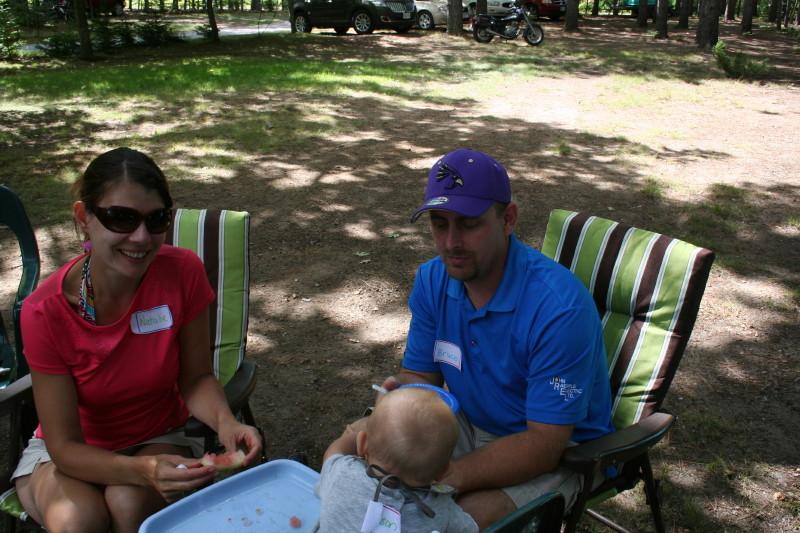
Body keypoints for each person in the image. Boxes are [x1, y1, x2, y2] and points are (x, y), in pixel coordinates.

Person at [13, 147, 262, 533]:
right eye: (121, 218)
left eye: (156, 219)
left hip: (160, 435)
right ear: (84, 218)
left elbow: (196, 378)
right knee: (78, 520)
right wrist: (139, 470)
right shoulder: (44, 312)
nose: (142, 237)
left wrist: (225, 422)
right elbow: (64, 447)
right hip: (72, 451)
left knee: (127, 506)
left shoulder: (183, 272)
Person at [380, 148, 615, 529]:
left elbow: (543, 445)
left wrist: (449, 476)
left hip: (562, 450)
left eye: (469, 224)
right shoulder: (432, 280)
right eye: (439, 224)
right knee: (375, 475)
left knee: (456, 522)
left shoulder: (559, 309)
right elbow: (421, 377)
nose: (451, 242)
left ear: (508, 219)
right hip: (468, 420)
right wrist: (396, 404)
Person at [317, 386, 478, 533]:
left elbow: (334, 451)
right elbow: (470, 529)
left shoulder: (342, 474)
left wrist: (372, 424)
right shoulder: (441, 509)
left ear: (362, 444)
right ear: (444, 472)